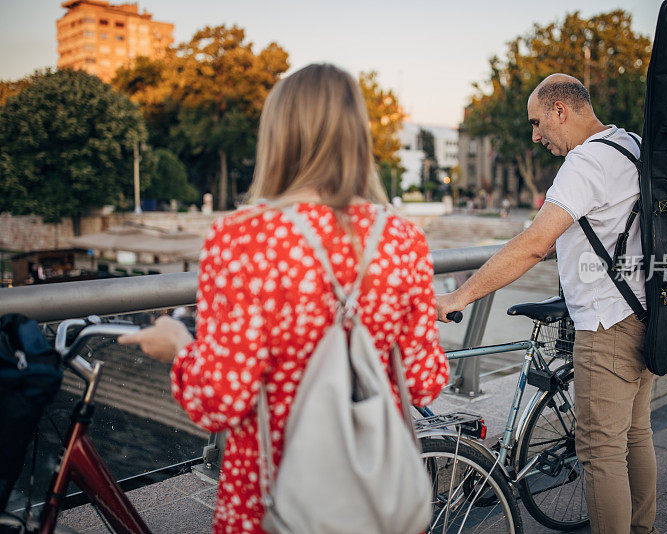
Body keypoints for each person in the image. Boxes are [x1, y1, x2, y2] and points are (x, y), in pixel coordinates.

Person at [119, 63, 449, 533]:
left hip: (274, 499)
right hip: (376, 499)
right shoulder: (400, 239)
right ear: (357, 135)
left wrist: (177, 346)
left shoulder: (242, 239)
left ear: (277, 134)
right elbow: (425, 381)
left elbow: (220, 399)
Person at [436, 73, 657, 534]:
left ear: (562, 110)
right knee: (635, 435)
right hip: (644, 311)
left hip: (605, 325)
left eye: (538, 123)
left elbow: (534, 244)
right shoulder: (631, 145)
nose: (535, 136)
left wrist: (459, 295)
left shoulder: (585, 162)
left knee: (600, 453)